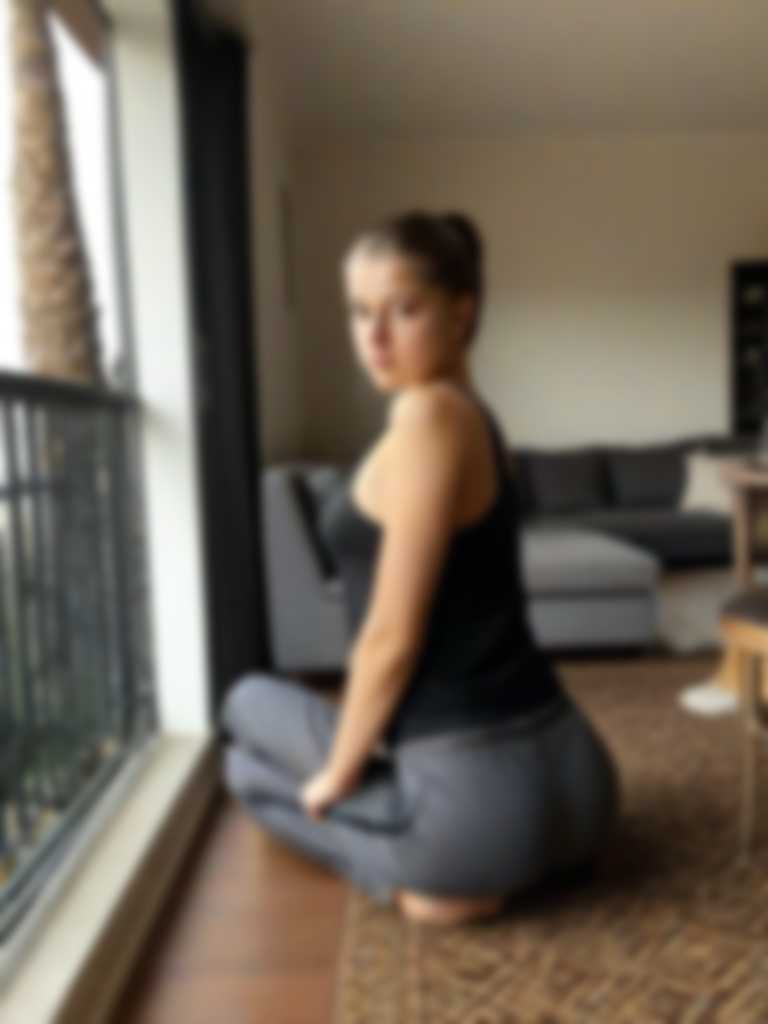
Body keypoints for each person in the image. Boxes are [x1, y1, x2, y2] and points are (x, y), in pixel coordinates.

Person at [219, 209, 621, 927]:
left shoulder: (427, 418)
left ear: (461, 313)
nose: (374, 337)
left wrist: (340, 773)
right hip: (579, 780)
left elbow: (390, 636)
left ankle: (439, 875)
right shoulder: (477, 417)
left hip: (474, 809)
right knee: (260, 725)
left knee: (244, 732)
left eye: (404, 310)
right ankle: (484, 856)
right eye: (360, 312)